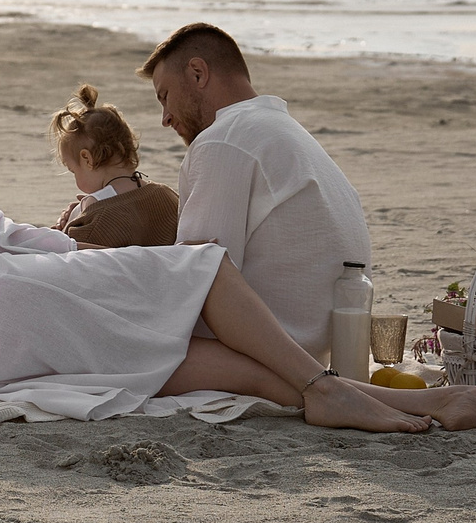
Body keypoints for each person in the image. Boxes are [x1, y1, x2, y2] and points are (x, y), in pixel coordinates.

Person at [0, 81, 476, 430]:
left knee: (210, 361)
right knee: (201, 267)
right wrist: (76, 248)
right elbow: (13, 237)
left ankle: (420, 404)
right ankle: (339, 389)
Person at [143, 23, 373, 359]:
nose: (165, 118)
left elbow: (194, 281)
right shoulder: (285, 131)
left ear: (197, 73)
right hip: (322, 351)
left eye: (165, 96)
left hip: (267, 355)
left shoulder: (224, 139)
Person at [50, 83, 179, 248]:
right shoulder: (168, 196)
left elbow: (68, 256)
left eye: (73, 171)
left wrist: (67, 226)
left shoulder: (95, 220)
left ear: (87, 159)